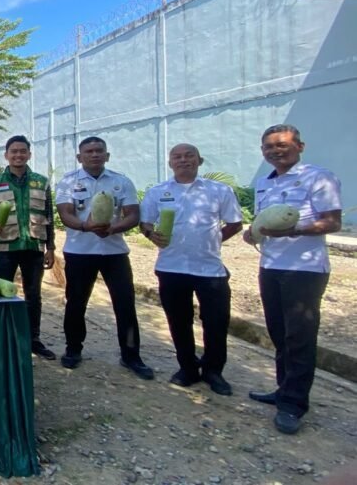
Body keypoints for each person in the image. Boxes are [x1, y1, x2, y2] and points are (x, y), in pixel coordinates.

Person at [244, 124, 341, 435]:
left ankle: (293, 405)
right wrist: (252, 233)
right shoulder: (264, 183)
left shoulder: (318, 177)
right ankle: (283, 389)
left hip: (305, 269)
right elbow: (263, 221)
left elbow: (332, 222)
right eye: (269, 147)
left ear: (300, 146)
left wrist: (293, 230)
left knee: (300, 336)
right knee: (279, 333)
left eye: (282, 145)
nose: (275, 151)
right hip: (270, 266)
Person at [140, 144, 243, 395]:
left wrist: (213, 241)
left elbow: (235, 223)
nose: (183, 160)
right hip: (170, 267)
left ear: (200, 160)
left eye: (189, 156)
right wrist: (151, 234)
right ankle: (187, 368)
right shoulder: (157, 192)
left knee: (216, 322)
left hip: (210, 269)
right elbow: (145, 223)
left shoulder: (219, 190)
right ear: (170, 163)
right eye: (177, 157)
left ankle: (213, 371)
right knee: (178, 321)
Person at [55, 136, 153, 380]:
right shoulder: (68, 181)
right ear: (79, 157)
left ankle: (131, 355)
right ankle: (73, 349)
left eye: (99, 151)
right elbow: (65, 213)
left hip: (114, 252)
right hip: (79, 251)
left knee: (125, 303)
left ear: (107, 155)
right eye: (89, 151)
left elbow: (133, 214)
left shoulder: (121, 181)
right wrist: (85, 226)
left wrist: (113, 228)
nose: (94, 154)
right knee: (76, 303)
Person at [0, 136, 57, 360]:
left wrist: (50, 247)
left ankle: (33, 339)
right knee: (1, 292)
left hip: (33, 246)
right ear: (6, 155)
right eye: (14, 151)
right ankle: (1, 337)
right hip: (5, 247)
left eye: (23, 151)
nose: (18, 155)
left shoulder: (41, 182)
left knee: (33, 295)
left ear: (29, 154)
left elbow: (49, 217)